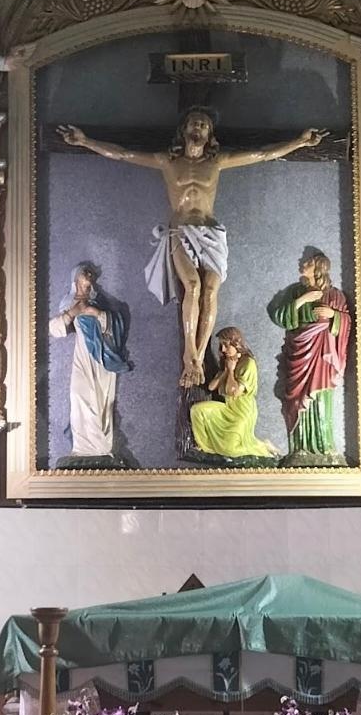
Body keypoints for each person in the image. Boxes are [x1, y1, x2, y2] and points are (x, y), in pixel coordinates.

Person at [57, 108, 325, 387]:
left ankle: (197, 355)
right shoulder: (167, 161)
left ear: (210, 135)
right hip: (181, 231)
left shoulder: (217, 162)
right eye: (194, 123)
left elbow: (262, 154)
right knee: (193, 287)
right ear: (184, 130)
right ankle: (189, 355)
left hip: (210, 233)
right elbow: (123, 153)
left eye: (204, 125)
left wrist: (300, 142)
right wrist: (86, 141)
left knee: (210, 290)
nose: (198, 128)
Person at [268, 248, 351, 459]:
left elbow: (347, 323)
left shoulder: (335, 295)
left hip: (322, 353)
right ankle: (299, 449)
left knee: (320, 396)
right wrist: (302, 300)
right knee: (295, 399)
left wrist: (333, 315)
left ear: (319, 268)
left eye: (307, 262)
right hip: (298, 350)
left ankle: (324, 447)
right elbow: (279, 315)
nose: (301, 263)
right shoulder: (296, 291)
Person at [48, 261, 131, 461]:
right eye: (86, 273)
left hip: (101, 358)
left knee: (103, 401)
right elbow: (55, 329)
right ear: (76, 278)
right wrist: (75, 311)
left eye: (92, 274)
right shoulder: (69, 303)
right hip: (82, 356)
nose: (90, 277)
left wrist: (94, 312)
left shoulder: (98, 304)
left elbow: (115, 322)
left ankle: (102, 448)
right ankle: (83, 447)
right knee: (79, 395)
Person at [189, 327, 276, 461]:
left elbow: (233, 391)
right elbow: (212, 387)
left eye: (226, 345)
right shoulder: (227, 362)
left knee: (230, 449)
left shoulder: (248, 363)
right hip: (228, 409)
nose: (223, 349)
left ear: (237, 343)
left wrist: (231, 371)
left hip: (242, 412)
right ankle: (205, 447)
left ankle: (262, 447)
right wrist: (225, 370)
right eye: (221, 345)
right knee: (197, 410)